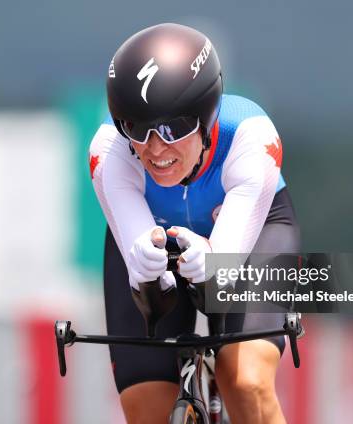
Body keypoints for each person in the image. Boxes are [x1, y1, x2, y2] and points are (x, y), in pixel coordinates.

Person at [89, 23, 300, 424]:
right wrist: (147, 266)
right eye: (135, 127)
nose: (155, 148)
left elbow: (226, 262)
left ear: (207, 117)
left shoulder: (252, 138)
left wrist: (213, 260)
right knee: (145, 402)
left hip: (253, 234)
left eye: (173, 128)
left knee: (244, 382)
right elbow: (139, 262)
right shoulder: (108, 152)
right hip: (156, 239)